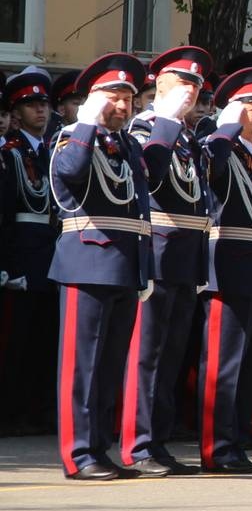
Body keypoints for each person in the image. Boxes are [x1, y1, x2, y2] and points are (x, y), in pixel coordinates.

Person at [50, 54, 165, 479]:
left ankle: (99, 448)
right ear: (94, 100)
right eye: (114, 97)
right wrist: (86, 123)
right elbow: (72, 174)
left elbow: (146, 197)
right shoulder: (70, 138)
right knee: (82, 367)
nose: (123, 106)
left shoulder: (128, 144)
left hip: (125, 264)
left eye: (128, 99)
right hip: (87, 261)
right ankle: (77, 454)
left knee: (110, 365)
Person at [118, 47, 211, 476]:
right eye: (181, 82)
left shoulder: (188, 136)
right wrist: (169, 122)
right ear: (159, 83)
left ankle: (158, 440)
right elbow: (149, 175)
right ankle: (138, 444)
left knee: (172, 353)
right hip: (156, 251)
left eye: (195, 85)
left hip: (185, 255)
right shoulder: (144, 126)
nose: (190, 92)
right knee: (148, 353)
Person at [195, 66, 252, 473]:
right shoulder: (219, 147)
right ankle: (217, 447)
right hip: (228, 265)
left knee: (250, 363)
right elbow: (209, 174)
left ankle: (238, 442)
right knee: (224, 362)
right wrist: (223, 130)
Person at [1, 69, 61, 434]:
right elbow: (7, 214)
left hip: (51, 256)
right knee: (16, 342)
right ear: (16, 112)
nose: (41, 111)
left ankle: (38, 411)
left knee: (44, 340)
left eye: (44, 104)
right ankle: (11, 413)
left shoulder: (54, 149)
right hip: (21, 256)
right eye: (31, 105)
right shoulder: (10, 153)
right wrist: (6, 265)